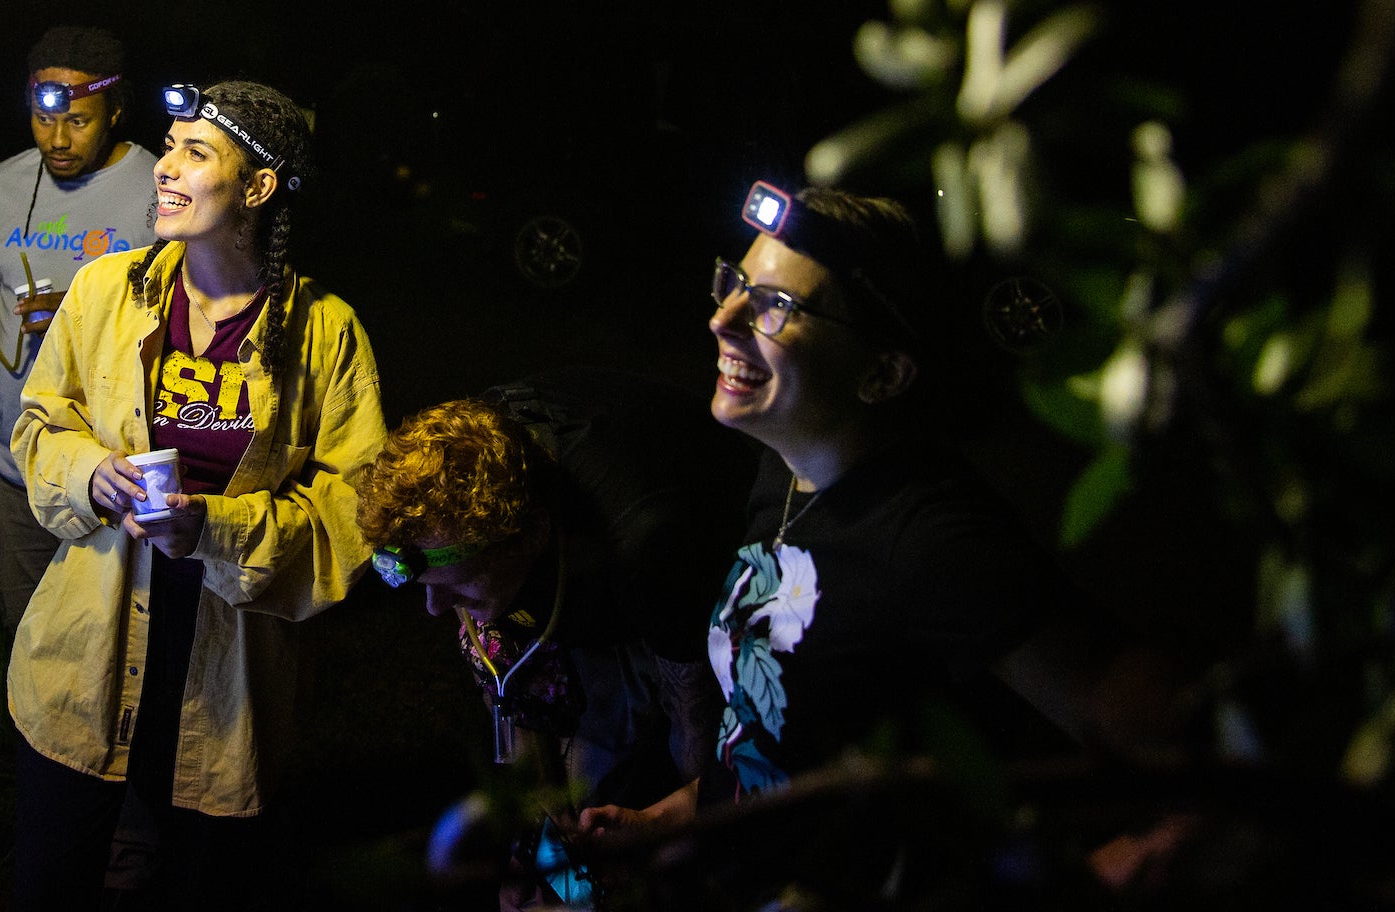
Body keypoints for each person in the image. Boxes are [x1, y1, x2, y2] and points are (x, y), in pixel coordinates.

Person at [581, 184, 1179, 846]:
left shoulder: (931, 536)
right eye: (736, 283)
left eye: (777, 305)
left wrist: (1112, 868)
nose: (724, 318)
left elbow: (1171, 741)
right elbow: (776, 745)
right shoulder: (785, 472)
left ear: (884, 374)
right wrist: (657, 822)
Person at [5, 80, 387, 910]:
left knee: (202, 885)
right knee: (49, 882)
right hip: (90, 652)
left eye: (196, 153)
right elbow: (39, 425)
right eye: (168, 147)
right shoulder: (108, 291)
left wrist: (214, 528)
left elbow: (358, 513)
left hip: (227, 676)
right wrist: (90, 474)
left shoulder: (325, 332)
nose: (164, 169)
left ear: (258, 188)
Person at [359, 374, 741, 905]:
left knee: (681, 824)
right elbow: (506, 677)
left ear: (531, 537)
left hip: (693, 604)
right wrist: (539, 827)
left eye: (456, 586)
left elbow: (694, 708)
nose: (432, 609)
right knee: (555, 860)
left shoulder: (644, 547)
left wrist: (687, 826)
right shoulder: (468, 500)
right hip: (569, 588)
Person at [0, 25, 157, 639]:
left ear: (115, 110)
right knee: (28, 640)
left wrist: (84, 313)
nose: (56, 141)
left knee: (108, 645)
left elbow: (188, 310)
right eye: (41, 120)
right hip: (12, 463)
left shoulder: (159, 189)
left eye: (79, 122)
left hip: (114, 470)